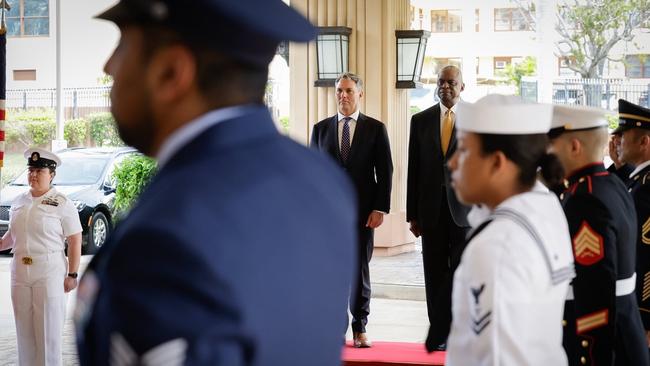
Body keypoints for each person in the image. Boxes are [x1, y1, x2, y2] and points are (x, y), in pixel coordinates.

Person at [76, 1, 357, 365]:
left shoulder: (162, 242)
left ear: (171, 72)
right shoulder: (322, 181)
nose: (109, 66)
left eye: (123, 46)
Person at [445, 94, 575, 365]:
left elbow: (496, 357)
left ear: (497, 162)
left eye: (464, 150)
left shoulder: (497, 247)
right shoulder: (545, 205)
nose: (452, 162)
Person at [548, 104, 648, 366]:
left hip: (604, 343)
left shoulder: (585, 199)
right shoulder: (610, 184)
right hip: (623, 331)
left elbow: (595, 289)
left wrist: (589, 354)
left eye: (552, 143)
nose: (548, 152)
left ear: (574, 146)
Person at [311, 72, 393, 348]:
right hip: (329, 216)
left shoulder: (375, 129)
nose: (343, 96)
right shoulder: (320, 130)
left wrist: (380, 208)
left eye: (348, 91)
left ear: (360, 94)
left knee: (359, 271)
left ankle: (360, 327)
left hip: (362, 214)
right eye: (339, 91)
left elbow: (385, 171)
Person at [406, 64, 470, 351]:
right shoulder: (420, 121)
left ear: (462, 87)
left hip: (464, 213)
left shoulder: (475, 120)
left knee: (461, 273)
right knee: (434, 274)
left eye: (451, 82)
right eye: (441, 82)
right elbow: (413, 170)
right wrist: (412, 214)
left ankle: (460, 330)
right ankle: (439, 332)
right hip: (430, 211)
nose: (445, 86)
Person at [0, 147, 82, 366]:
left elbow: (75, 239)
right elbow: (12, 236)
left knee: (47, 334)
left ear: (51, 174)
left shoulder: (62, 203)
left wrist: (72, 274)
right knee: (24, 333)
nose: (33, 175)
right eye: (31, 170)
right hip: (20, 273)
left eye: (39, 170)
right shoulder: (19, 201)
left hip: (49, 273)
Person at [615, 98, 650, 345]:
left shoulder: (647, 189)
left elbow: (646, 254)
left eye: (623, 136)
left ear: (644, 142)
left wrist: (645, 316)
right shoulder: (639, 182)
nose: (617, 141)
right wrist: (619, 168)